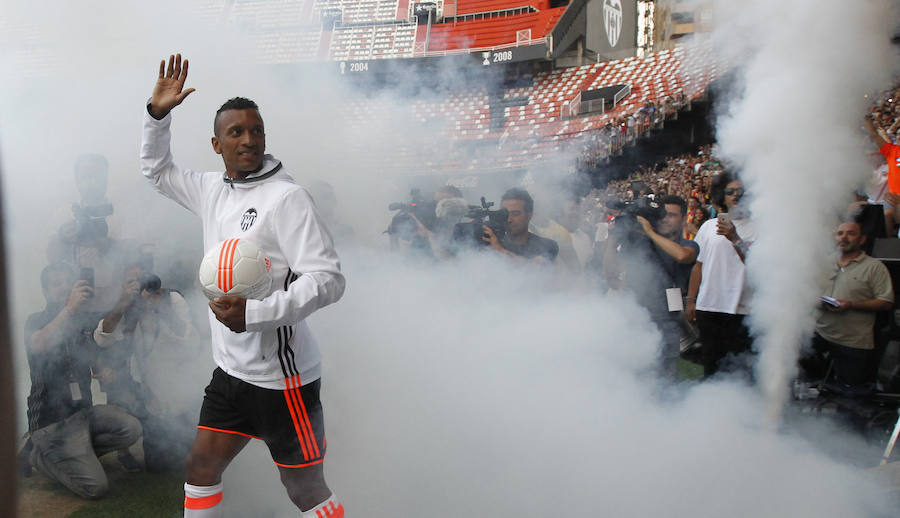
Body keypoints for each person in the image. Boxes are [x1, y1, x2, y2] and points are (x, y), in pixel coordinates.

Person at [141, 54, 346, 517]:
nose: (248, 139)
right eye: (236, 132)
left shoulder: (287, 199)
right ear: (216, 144)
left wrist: (253, 315)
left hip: (283, 380)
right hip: (230, 375)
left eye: (256, 131)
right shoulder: (211, 189)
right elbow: (156, 173)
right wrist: (157, 117)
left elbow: (329, 281)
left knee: (305, 490)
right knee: (200, 467)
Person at [23, 263, 142, 499]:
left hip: (83, 414)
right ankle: (37, 455)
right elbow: (39, 344)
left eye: (68, 282)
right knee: (96, 488)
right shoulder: (37, 319)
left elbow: (102, 333)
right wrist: (69, 309)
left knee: (131, 427)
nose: (64, 287)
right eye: (57, 284)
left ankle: (77, 456)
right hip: (51, 423)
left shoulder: (81, 321)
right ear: (46, 292)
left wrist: (123, 301)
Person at [94, 264, 199, 472]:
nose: (142, 287)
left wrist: (163, 312)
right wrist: (123, 303)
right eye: (132, 282)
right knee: (158, 465)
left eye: (142, 279)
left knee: (188, 458)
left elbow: (192, 341)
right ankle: (126, 449)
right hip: (146, 388)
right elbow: (101, 339)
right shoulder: (127, 306)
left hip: (179, 384)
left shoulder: (172, 299)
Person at [604, 195, 699, 380]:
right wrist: (614, 238)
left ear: (683, 219)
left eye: (671, 215)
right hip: (637, 318)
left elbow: (682, 256)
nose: (665, 218)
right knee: (636, 378)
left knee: (666, 379)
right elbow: (610, 275)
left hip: (667, 322)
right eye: (662, 214)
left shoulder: (687, 244)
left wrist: (649, 232)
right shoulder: (639, 243)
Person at [802, 221, 894, 387]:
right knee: (800, 363)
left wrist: (851, 304)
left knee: (850, 392)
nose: (844, 237)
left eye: (851, 233)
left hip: (853, 340)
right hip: (820, 333)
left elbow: (886, 302)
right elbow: (807, 292)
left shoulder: (874, 267)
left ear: (862, 239)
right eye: (840, 233)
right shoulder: (823, 263)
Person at [686, 177, 757, 378]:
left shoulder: (759, 227)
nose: (736, 196)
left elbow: (758, 265)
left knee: (739, 369)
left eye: (741, 192)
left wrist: (735, 238)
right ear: (722, 196)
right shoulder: (708, 226)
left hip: (743, 309)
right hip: (709, 307)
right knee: (711, 365)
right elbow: (698, 266)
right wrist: (691, 300)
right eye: (730, 192)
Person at [482, 188, 559, 263]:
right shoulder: (491, 243)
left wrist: (501, 251)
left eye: (515, 214)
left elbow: (535, 268)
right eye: (504, 214)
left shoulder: (547, 246)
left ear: (529, 215)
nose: (509, 219)